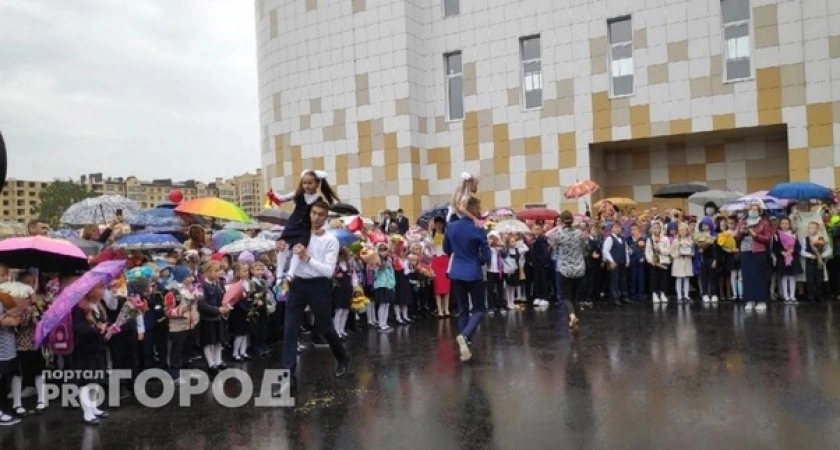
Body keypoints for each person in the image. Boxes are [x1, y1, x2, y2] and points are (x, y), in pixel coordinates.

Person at [276, 200, 350, 397]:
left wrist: (308, 257)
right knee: (290, 329)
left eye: (320, 214)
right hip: (298, 284)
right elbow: (286, 254)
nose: (316, 217)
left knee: (325, 327)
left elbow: (328, 271)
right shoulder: (300, 232)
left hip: (318, 285)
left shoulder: (330, 240)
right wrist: (280, 248)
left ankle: (342, 358)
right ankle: (288, 377)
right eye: (313, 213)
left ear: (326, 217)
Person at [444, 196, 491, 362]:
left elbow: (446, 249)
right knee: (479, 308)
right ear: (474, 209)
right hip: (473, 271)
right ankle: (464, 336)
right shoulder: (478, 228)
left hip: (456, 271)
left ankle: (465, 345)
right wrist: (479, 261)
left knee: (463, 309)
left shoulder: (451, 226)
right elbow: (486, 254)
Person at [271, 170, 339, 283]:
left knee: (298, 248)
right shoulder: (299, 194)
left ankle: (290, 274)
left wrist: (324, 228)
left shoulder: (319, 200)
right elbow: (284, 198)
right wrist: (274, 196)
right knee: (283, 245)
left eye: (310, 183)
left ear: (317, 184)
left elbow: (324, 215)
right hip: (293, 224)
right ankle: (279, 275)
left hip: (304, 227)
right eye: (304, 183)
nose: (307, 186)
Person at [552, 210, 586, 330]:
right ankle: (574, 320)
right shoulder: (579, 233)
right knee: (574, 296)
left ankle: (572, 316)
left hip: (564, 268)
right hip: (579, 268)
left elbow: (555, 251)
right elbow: (584, 249)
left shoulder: (558, 234)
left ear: (561, 221)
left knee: (565, 296)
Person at [737, 202, 773, 311]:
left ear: (759, 211)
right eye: (751, 209)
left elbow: (767, 239)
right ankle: (749, 300)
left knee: (759, 276)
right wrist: (742, 232)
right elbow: (737, 238)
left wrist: (755, 235)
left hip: (758, 251)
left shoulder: (764, 223)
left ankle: (761, 300)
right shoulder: (742, 222)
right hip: (745, 251)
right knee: (747, 276)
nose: (753, 211)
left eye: (756, 209)